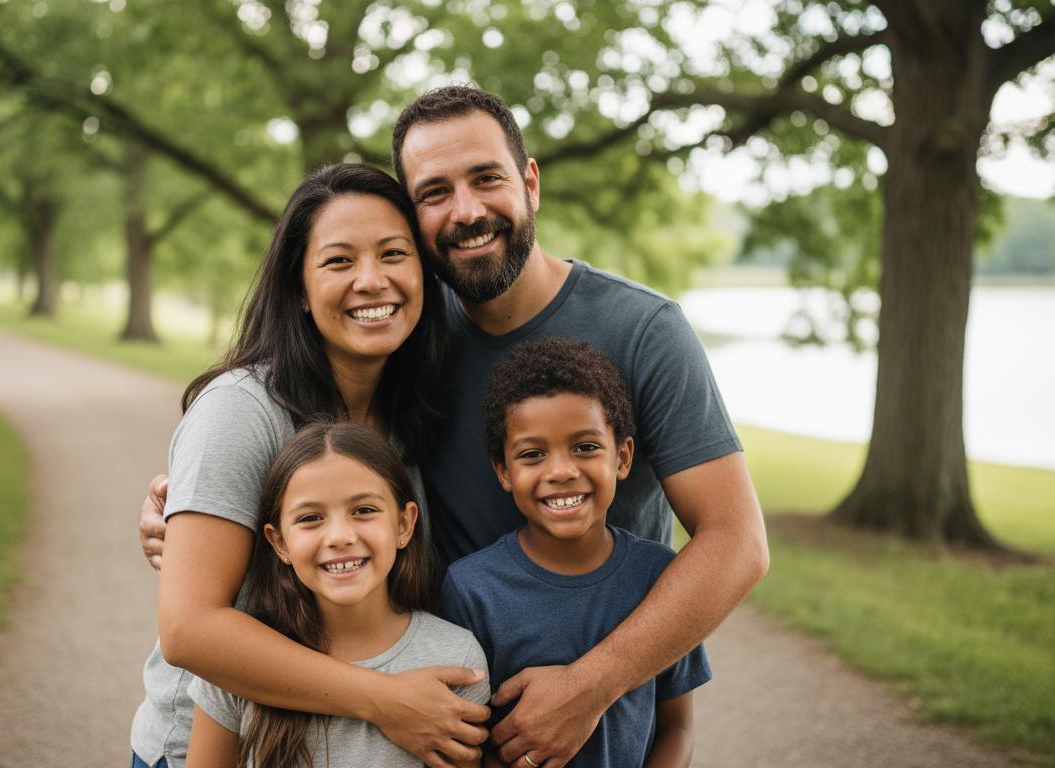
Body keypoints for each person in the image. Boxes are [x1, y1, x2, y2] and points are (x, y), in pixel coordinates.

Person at [142, 85, 769, 767]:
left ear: (531, 183)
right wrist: (197, 510)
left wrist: (590, 687)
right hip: (274, 737)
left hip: (546, 729)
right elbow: (196, 613)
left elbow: (736, 542)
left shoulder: (640, 331)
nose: (466, 210)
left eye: (487, 178)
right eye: (435, 192)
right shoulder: (404, 330)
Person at [130, 163, 491, 768]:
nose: (371, 280)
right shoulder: (241, 411)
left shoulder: (411, 410)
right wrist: (384, 699)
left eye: (393, 254)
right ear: (298, 288)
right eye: (339, 261)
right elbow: (189, 630)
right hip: (224, 748)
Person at [439, 338, 708, 768]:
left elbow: (678, 726)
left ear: (622, 457)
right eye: (532, 454)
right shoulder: (471, 588)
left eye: (585, 447)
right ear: (503, 471)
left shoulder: (660, 575)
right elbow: (466, 740)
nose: (561, 471)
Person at [187, 421, 489, 767]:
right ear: (279, 542)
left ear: (404, 524)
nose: (340, 537)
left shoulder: (455, 658)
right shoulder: (239, 660)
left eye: (363, 511)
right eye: (311, 518)